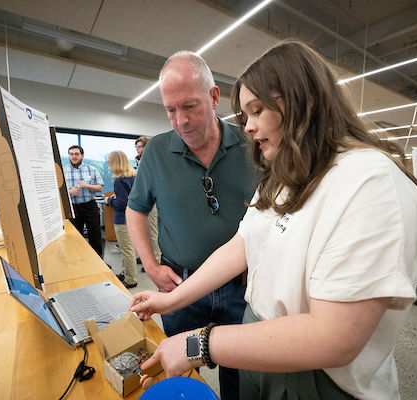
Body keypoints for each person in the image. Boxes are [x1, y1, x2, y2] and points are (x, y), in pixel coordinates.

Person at [130, 40, 417, 400]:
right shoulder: (285, 174)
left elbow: (333, 338)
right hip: (263, 348)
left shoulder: (370, 182)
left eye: (257, 111)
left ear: (306, 101)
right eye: (245, 116)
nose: (249, 129)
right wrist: (171, 300)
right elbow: (240, 245)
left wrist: (200, 344)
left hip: (321, 378)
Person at [126, 51, 256, 400]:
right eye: (171, 110)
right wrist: (151, 266)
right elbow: (135, 210)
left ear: (214, 97)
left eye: (190, 106)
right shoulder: (155, 152)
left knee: (240, 379)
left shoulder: (253, 144)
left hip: (241, 289)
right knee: (175, 375)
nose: (180, 121)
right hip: (179, 286)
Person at [64, 145, 104, 257]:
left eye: (76, 154)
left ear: (82, 156)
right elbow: (58, 191)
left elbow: (100, 188)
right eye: (71, 154)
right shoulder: (63, 171)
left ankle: (98, 262)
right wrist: (70, 192)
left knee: (95, 235)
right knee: (75, 238)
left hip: (89, 206)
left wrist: (87, 185)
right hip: (73, 207)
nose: (74, 156)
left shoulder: (92, 169)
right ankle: (79, 264)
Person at [105, 151, 138, 288]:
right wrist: (117, 198)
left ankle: (131, 280)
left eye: (110, 161)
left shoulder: (119, 180)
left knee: (127, 249)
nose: (108, 164)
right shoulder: (132, 177)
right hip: (132, 218)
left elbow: (121, 204)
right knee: (128, 248)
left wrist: (109, 201)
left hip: (122, 219)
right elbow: (128, 198)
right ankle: (125, 273)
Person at [134, 136, 161, 266]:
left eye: (140, 146)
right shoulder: (141, 161)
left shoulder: (153, 160)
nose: (138, 149)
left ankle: (156, 259)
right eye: (137, 147)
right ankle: (145, 257)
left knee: (153, 232)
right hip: (143, 201)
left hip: (152, 202)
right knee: (143, 231)